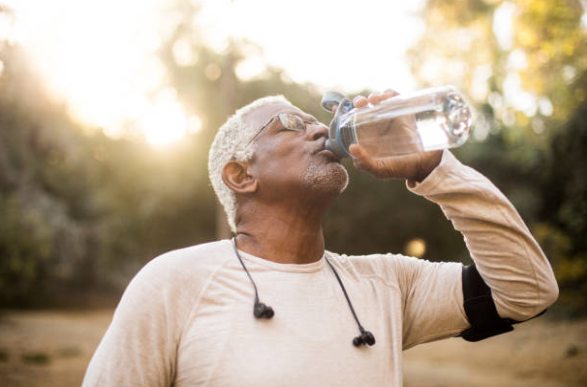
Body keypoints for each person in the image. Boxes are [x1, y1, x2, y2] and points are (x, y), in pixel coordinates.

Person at [82, 90, 558, 387]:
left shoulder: (387, 283)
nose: (316, 127)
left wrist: (435, 169)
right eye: (290, 124)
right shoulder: (174, 281)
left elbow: (527, 291)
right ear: (241, 175)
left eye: (314, 119)